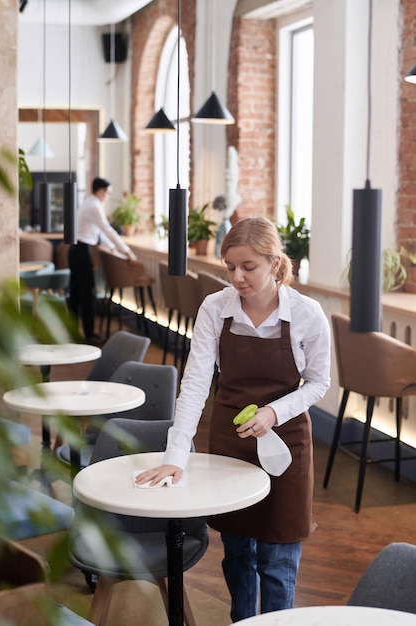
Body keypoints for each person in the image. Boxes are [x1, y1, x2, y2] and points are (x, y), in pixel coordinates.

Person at [135, 215, 331, 622]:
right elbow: (194, 385)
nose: (237, 277)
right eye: (230, 267)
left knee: (277, 559)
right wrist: (176, 454)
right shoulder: (215, 308)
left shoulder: (308, 315)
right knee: (238, 554)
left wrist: (275, 412)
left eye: (248, 267)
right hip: (232, 442)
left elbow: (318, 383)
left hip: (286, 445)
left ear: (275, 264)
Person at [68, 177, 138, 343]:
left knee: (76, 295)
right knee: (86, 295)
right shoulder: (94, 206)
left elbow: (99, 232)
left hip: (76, 250)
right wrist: (127, 252)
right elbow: (107, 230)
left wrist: (112, 248)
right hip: (82, 252)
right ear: (101, 191)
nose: (108, 196)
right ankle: (89, 335)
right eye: (108, 192)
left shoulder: (88, 203)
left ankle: (71, 333)